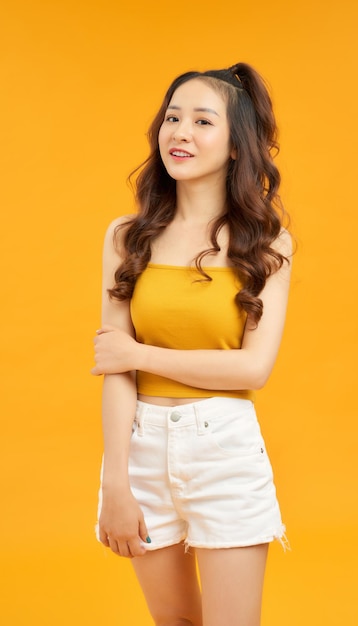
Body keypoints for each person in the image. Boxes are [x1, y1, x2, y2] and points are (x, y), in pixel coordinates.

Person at [92, 62, 292, 626]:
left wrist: (141, 355)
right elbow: (115, 371)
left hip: (223, 448)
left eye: (203, 121)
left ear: (236, 146)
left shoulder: (267, 243)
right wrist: (116, 482)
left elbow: (253, 370)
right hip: (140, 449)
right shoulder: (126, 237)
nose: (180, 132)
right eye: (172, 118)